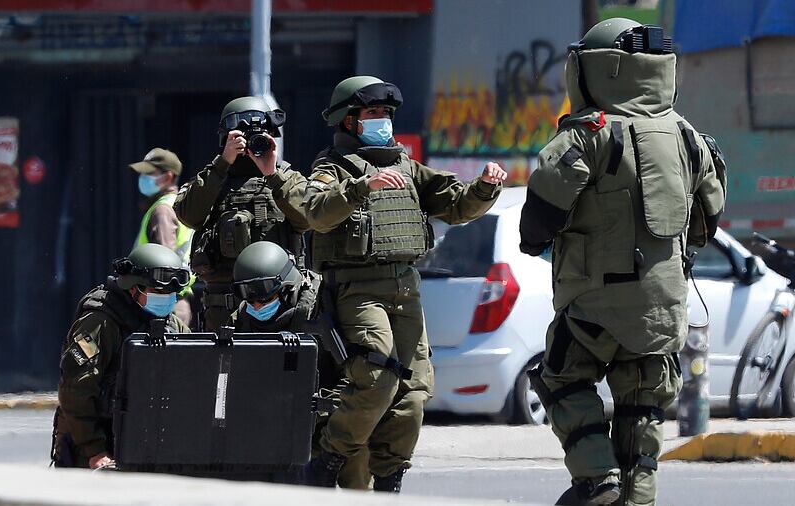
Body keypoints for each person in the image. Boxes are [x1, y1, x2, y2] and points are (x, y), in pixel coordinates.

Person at [519, 19, 726, 505]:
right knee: (643, 411)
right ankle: (635, 497)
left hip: (594, 303)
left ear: (597, 70)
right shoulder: (687, 136)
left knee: (562, 378)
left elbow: (538, 222)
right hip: (663, 306)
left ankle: (597, 479)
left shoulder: (588, 135)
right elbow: (708, 221)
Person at [302, 75, 507, 492]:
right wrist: (362, 187)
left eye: (386, 114)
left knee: (413, 393)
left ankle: (391, 477)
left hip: (406, 287)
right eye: (372, 114)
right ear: (348, 121)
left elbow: (454, 204)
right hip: (357, 288)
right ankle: (327, 461)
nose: (383, 121)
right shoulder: (330, 169)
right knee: (377, 378)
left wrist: (485, 187)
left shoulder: (406, 166)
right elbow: (316, 212)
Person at [228, 241, 370, 489]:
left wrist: (321, 407)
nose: (257, 306)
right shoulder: (243, 317)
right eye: (249, 298)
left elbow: (355, 377)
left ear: (287, 287)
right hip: (270, 422)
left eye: (266, 297)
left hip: (327, 421)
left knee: (356, 459)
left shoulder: (321, 309)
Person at [173, 97, 309, 332]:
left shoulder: (286, 177)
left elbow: (309, 218)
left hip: (280, 303)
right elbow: (187, 215)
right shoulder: (212, 178)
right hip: (223, 305)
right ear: (225, 138)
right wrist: (223, 163)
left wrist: (273, 175)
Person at [52, 244, 191, 469]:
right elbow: (76, 391)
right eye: (158, 292)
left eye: (171, 294)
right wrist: (94, 450)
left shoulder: (172, 326)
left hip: (145, 444)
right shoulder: (100, 322)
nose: (166, 299)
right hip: (91, 448)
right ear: (133, 288)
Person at [129, 147, 194, 326]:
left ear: (168, 177)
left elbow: (164, 265)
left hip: (160, 304)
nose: (143, 179)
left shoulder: (162, 210)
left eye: (150, 173)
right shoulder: (180, 205)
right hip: (171, 301)